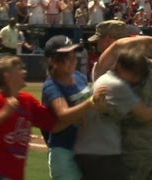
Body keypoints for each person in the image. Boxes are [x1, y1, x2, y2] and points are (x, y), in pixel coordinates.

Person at [90, 20, 152, 180]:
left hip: (136, 143)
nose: (97, 44)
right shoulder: (108, 67)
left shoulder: (119, 68)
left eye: (100, 39)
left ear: (109, 39)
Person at [74, 45, 152, 180]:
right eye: (134, 74)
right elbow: (144, 115)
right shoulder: (118, 85)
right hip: (102, 152)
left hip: (88, 149)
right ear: (122, 68)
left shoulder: (103, 79)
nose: (136, 79)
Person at [0, 55, 62, 179]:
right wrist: (4, 112)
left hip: (14, 174)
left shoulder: (27, 101)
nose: (24, 72)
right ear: (7, 75)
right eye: (19, 69)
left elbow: (53, 124)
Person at [41, 35, 107, 180]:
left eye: (74, 55)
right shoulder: (51, 85)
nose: (73, 60)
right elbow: (63, 114)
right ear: (52, 60)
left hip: (86, 149)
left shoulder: (79, 77)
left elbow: (89, 108)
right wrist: (90, 103)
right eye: (66, 57)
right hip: (64, 152)